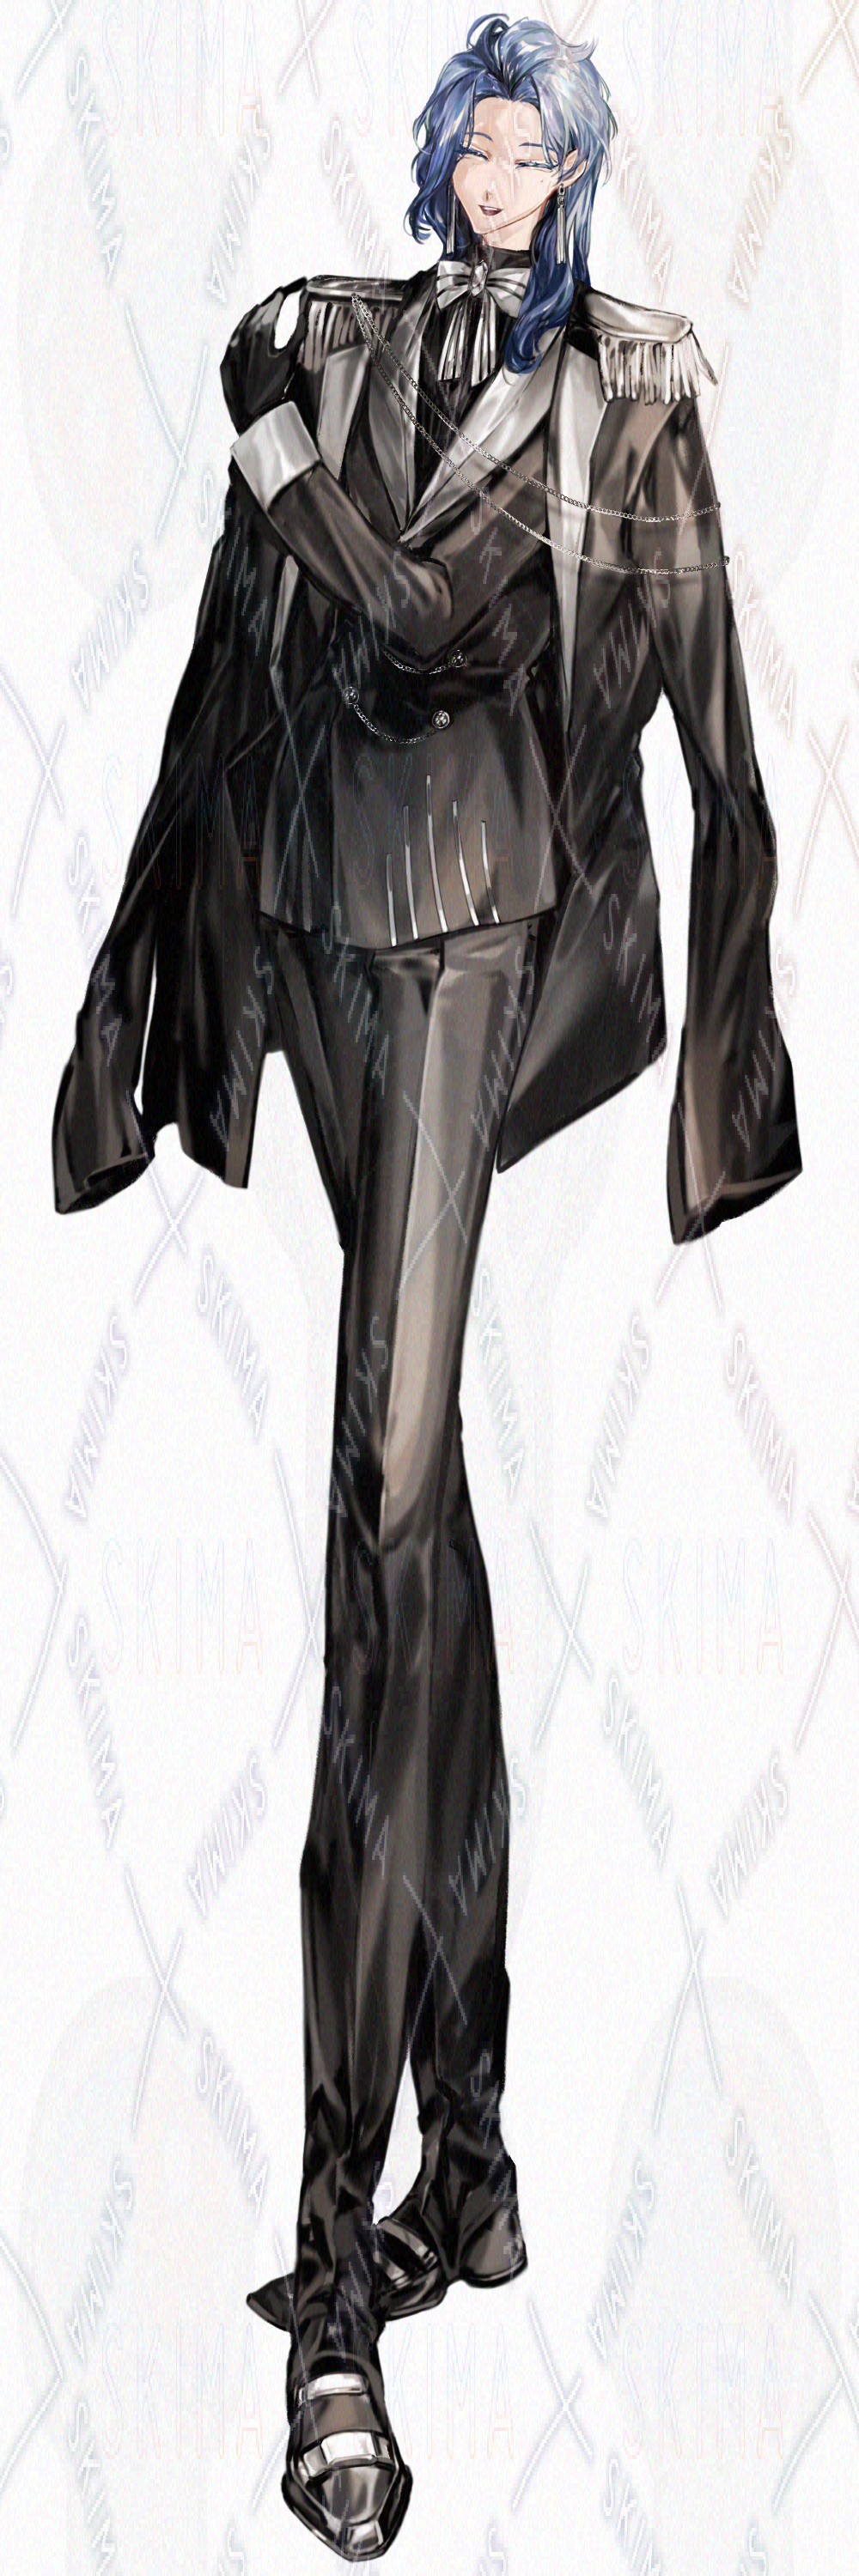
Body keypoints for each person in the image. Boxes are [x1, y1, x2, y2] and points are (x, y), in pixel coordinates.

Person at [50, 9, 804, 2558]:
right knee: (421, 1520)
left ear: (573, 172)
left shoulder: (629, 387)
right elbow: (227, 661)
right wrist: (142, 989)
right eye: (471, 138)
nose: (497, 176)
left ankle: (333, 2260)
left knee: (381, 1518)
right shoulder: (338, 336)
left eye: (533, 148)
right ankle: (472, 2138)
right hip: (307, 933)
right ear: (436, 152)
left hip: (487, 938)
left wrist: (733, 1064)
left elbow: (690, 715)